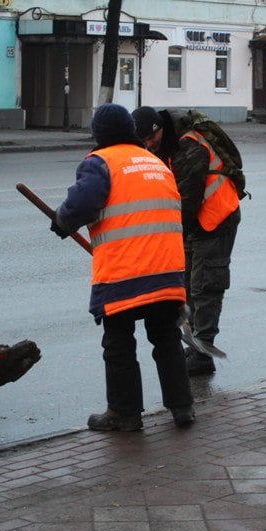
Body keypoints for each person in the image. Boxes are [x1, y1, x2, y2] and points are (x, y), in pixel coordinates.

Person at [52, 103, 195, 431]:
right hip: (169, 269)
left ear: (98, 135)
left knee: (118, 343)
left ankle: (124, 414)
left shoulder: (101, 162)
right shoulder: (155, 162)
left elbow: (82, 202)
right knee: (166, 340)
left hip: (126, 272)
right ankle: (182, 407)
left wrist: (62, 222)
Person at [132, 106, 241, 377]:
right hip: (197, 220)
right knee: (188, 286)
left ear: (158, 130)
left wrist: (165, 241)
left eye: (148, 139)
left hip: (216, 218)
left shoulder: (188, 146)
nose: (147, 146)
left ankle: (204, 354)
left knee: (205, 286)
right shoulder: (167, 144)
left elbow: (186, 202)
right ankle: (195, 346)